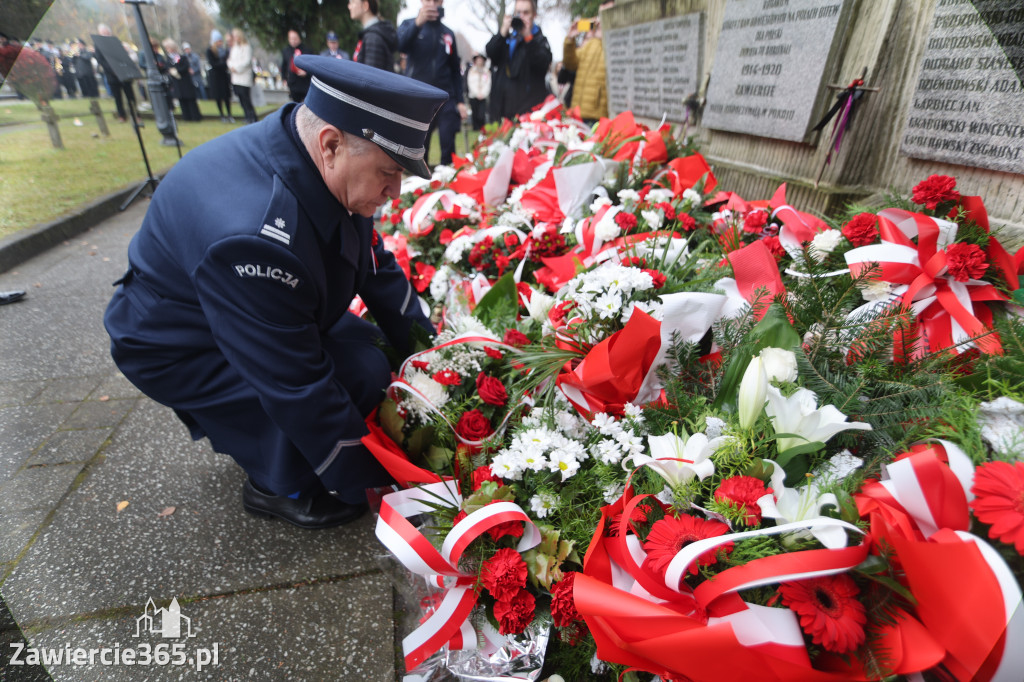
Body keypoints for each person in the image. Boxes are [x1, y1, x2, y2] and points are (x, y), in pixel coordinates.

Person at [104, 56, 447, 529]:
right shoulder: (254, 235)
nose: (395, 189)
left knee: (376, 355)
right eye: (389, 171)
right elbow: (295, 384)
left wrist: (436, 358)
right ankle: (278, 486)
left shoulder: (318, 152)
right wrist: (380, 485)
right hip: (180, 343)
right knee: (355, 377)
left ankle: (297, 454)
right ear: (331, 144)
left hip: (249, 307)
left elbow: (375, 266)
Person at [397, 0, 467, 166]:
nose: (432, 4)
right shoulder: (408, 24)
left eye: (435, 0)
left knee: (448, 140)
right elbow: (400, 46)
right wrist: (417, 24)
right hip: (419, 96)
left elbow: (455, 70)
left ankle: (448, 174)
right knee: (420, 145)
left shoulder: (448, 33)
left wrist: (460, 101)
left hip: (445, 96)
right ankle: (420, 177)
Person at [485, 0, 552, 122]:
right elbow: (491, 52)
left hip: (528, 112)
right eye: (518, 13)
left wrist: (528, 37)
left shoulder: (539, 40)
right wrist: (503, 32)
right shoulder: (508, 38)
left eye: (526, 13)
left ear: (534, 15)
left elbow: (542, 64)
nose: (521, 17)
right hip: (503, 110)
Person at [562, 13, 608, 125]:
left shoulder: (612, 46)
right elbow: (570, 63)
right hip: (576, 113)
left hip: (596, 116)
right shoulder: (590, 45)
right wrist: (570, 39)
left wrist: (606, 37)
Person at [348, 0, 398, 73]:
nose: (349, 6)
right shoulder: (371, 34)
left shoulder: (372, 37)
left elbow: (370, 76)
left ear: (365, 5)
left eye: (352, 2)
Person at [164, 38, 202, 122]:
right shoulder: (168, 58)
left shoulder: (181, 57)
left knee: (190, 100)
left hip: (185, 81)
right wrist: (171, 71)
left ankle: (195, 117)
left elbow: (185, 66)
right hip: (177, 83)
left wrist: (176, 70)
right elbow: (167, 67)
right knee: (182, 100)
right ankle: (186, 117)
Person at [228, 28, 257, 124]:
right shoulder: (234, 48)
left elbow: (246, 61)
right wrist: (232, 67)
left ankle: (252, 117)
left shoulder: (246, 47)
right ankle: (246, 116)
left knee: (246, 99)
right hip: (236, 78)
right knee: (241, 99)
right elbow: (230, 60)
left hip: (244, 77)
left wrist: (237, 68)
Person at [207, 30, 234, 122]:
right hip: (215, 77)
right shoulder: (210, 50)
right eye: (219, 41)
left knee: (226, 96)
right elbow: (213, 63)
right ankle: (222, 115)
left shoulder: (224, 51)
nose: (220, 43)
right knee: (218, 97)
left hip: (223, 76)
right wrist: (224, 64)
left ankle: (229, 114)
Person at [281, 30, 311, 102]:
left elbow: (311, 66)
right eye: (291, 39)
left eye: (295, 38)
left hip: (305, 83)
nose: (293, 41)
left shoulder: (307, 50)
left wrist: (306, 72)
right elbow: (284, 66)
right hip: (293, 83)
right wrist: (284, 78)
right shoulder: (286, 51)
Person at [466, 54, 490, 131]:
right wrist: (476, 93)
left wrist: (483, 93)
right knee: (475, 112)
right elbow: (470, 83)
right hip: (473, 95)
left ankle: (482, 128)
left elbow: (488, 84)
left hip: (483, 96)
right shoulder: (472, 71)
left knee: (481, 114)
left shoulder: (486, 71)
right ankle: (475, 128)